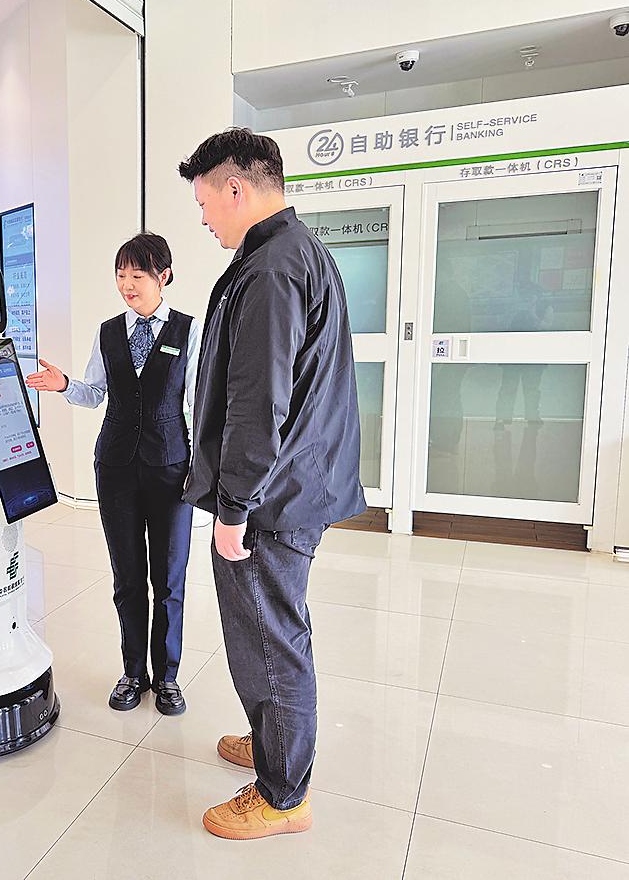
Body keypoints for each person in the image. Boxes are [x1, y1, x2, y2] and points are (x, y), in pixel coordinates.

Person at [178, 128, 365, 840]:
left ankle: (283, 794)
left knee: (269, 637)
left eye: (205, 202)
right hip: (292, 484)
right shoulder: (292, 251)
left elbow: (258, 403)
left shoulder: (271, 270)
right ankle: (272, 742)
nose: (203, 219)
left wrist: (233, 508)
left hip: (272, 498)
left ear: (236, 188)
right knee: (270, 630)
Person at [26, 233, 201, 717]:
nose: (127, 285)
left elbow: (198, 403)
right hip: (116, 467)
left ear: (164, 276)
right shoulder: (108, 333)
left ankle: (167, 678)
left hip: (171, 469)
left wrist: (205, 468)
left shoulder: (189, 331)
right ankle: (133, 673)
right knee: (127, 577)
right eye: (121, 275)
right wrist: (65, 385)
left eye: (137, 275)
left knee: (169, 579)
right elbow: (93, 393)